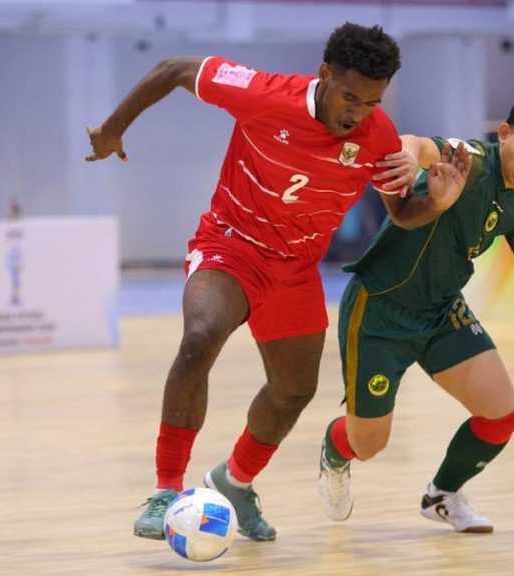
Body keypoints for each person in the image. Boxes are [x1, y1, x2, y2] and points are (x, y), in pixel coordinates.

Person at [87, 23, 469, 542]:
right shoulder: (264, 94)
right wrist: (112, 130)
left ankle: (235, 480)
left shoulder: (377, 134)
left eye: (371, 102)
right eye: (350, 97)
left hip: (296, 270)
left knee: (294, 390)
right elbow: (173, 69)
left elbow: (401, 213)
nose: (357, 113)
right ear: (325, 74)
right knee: (201, 336)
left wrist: (438, 203)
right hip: (232, 245)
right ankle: (166, 490)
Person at [316, 91, 514, 533]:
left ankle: (442, 494)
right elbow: (415, 143)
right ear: (504, 134)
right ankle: (334, 448)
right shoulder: (469, 159)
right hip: (380, 308)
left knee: (502, 414)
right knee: (368, 444)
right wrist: (406, 159)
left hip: (442, 311)